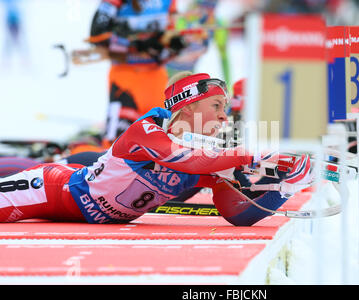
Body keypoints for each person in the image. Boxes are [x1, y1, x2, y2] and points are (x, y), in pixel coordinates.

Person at [0, 72, 312, 226]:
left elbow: (239, 215)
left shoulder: (211, 155)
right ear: (187, 107)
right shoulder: (147, 129)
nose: (223, 116)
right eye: (216, 105)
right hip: (52, 190)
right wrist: (252, 154)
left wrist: (286, 186)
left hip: (89, 213)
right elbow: (186, 161)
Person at [88, 0, 186, 148]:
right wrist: (135, 45)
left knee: (162, 142)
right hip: (125, 78)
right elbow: (97, 36)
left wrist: (174, 45)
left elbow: (172, 37)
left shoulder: (169, 2)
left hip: (156, 79)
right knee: (116, 144)